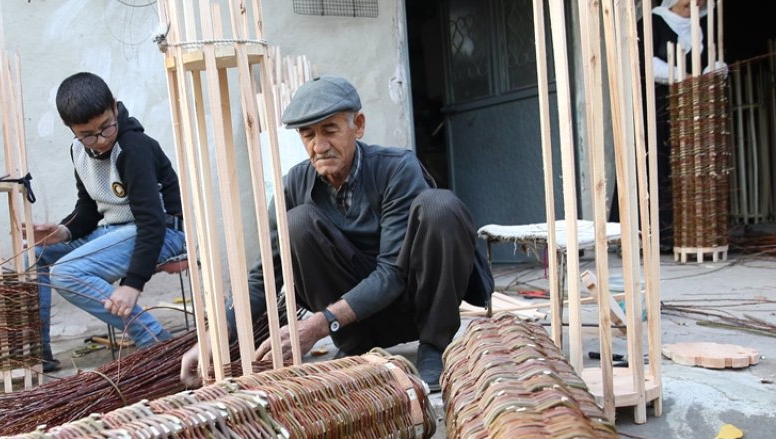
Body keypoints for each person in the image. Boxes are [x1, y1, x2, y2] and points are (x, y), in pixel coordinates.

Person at [179, 75, 494, 392]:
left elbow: (391, 273)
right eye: (308, 135)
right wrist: (215, 338)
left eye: (330, 131)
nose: (319, 146)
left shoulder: (397, 169)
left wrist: (317, 325)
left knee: (441, 207)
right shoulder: (294, 186)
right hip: (354, 325)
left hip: (412, 306)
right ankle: (355, 348)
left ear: (358, 126)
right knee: (296, 222)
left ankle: (435, 347)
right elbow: (265, 276)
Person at [31, 72, 186, 371]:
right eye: (88, 134)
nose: (100, 140)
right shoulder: (79, 151)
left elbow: (152, 223)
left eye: (105, 128)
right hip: (114, 231)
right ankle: (38, 351)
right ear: (72, 131)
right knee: (36, 254)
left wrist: (132, 285)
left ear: (114, 108)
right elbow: (88, 208)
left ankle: (156, 341)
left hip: (161, 231)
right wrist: (63, 232)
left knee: (66, 274)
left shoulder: (133, 148)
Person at [609, 0, 724, 248]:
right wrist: (685, 77)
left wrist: (713, 71)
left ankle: (680, 237)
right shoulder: (652, 23)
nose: (693, 7)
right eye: (687, 4)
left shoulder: (706, 22)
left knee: (686, 173)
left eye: (698, 4)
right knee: (650, 166)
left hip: (690, 115)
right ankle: (639, 239)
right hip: (654, 108)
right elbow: (643, 63)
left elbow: (718, 58)